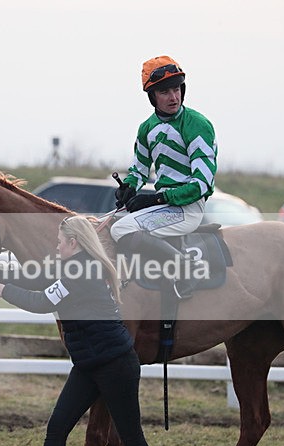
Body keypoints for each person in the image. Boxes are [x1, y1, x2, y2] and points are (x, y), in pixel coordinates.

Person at [0, 215, 170, 446]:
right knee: (58, 426)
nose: (56, 247)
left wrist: (4, 290)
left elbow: (43, 300)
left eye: (60, 243)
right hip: (90, 364)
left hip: (115, 366)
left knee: (131, 436)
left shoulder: (80, 271)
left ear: (73, 243)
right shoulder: (74, 266)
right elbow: (39, 276)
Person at [111, 55, 217, 299]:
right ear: (152, 97)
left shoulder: (196, 124)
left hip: (185, 209)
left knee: (121, 230)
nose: (173, 97)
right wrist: (128, 187)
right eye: (165, 92)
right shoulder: (147, 128)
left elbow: (202, 184)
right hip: (166, 206)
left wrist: (155, 199)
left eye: (176, 89)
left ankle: (185, 268)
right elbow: (139, 169)